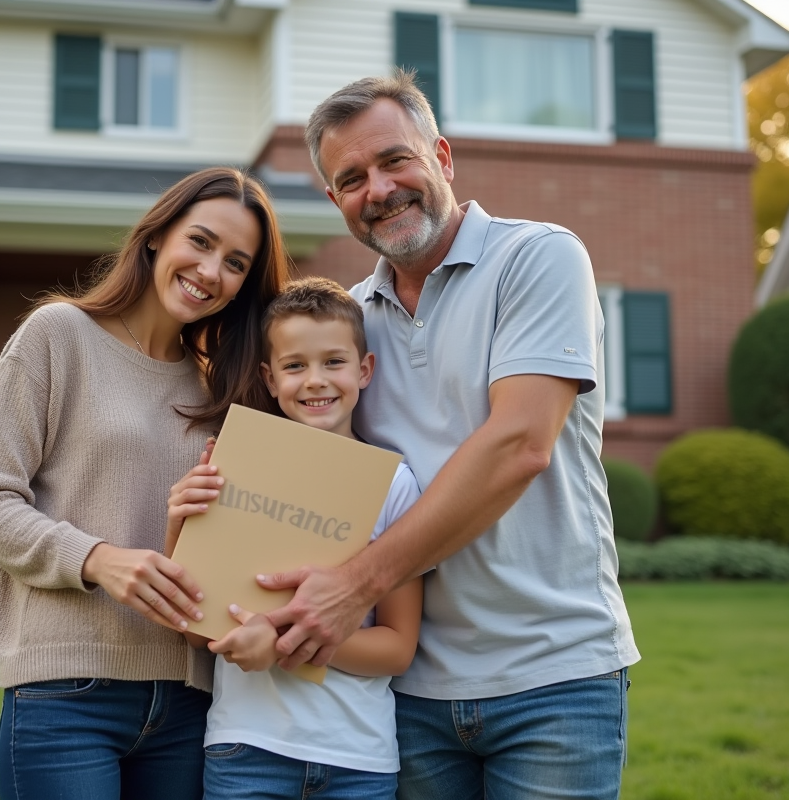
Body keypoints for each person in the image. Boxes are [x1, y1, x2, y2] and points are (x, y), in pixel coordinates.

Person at [257, 72, 642, 799]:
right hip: (409, 693)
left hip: (553, 678)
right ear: (334, 200)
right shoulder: (352, 325)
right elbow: (315, 465)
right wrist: (211, 488)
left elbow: (519, 445)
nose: (379, 188)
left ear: (442, 156)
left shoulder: (538, 258)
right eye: (351, 179)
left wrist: (354, 587)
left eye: (395, 160)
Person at [0, 166, 290, 800]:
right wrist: (98, 560)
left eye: (237, 262)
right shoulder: (57, 337)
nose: (212, 270)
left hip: (191, 702)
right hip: (67, 696)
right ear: (157, 235)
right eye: (200, 241)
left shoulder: (225, 389)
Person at [165, 277, 423, 800]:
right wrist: (179, 521)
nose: (315, 381)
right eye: (295, 365)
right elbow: (195, 633)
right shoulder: (234, 467)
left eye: (334, 362)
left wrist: (286, 647)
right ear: (270, 376)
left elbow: (397, 647)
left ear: (364, 370)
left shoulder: (393, 485)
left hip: (358, 757)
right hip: (247, 752)